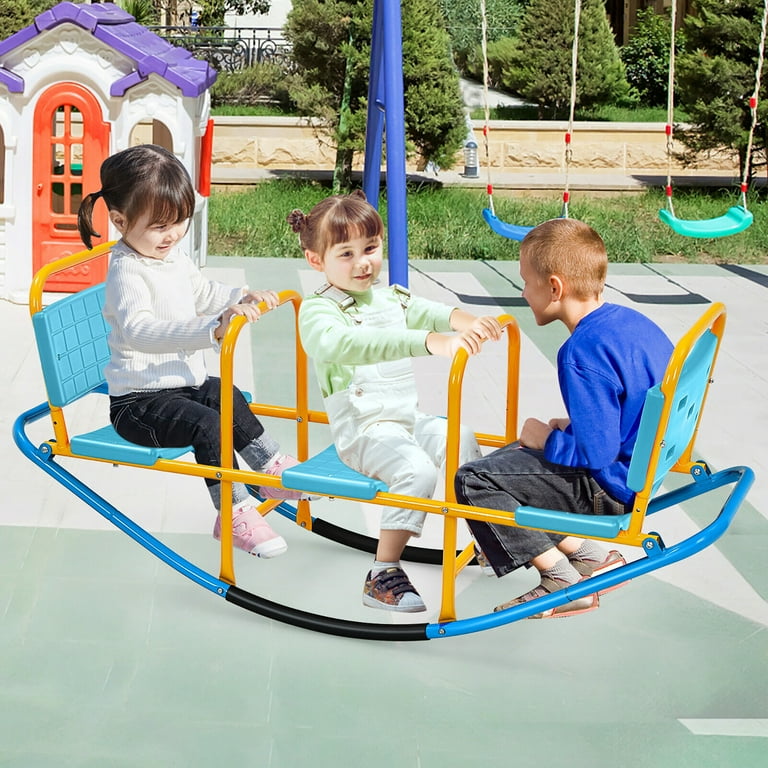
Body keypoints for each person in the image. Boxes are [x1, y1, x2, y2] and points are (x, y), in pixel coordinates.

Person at [78, 144, 302, 559]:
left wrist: (240, 296)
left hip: (179, 387)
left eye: (180, 221)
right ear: (120, 221)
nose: (173, 234)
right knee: (206, 426)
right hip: (138, 405)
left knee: (226, 394)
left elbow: (202, 292)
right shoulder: (127, 271)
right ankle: (232, 512)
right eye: (161, 226)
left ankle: (270, 468)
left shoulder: (172, 257)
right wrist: (209, 330)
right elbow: (141, 331)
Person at [290, 191, 503, 612]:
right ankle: (382, 572)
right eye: (346, 254)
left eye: (370, 248)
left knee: (460, 437)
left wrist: (470, 322)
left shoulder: (391, 296)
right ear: (317, 260)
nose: (362, 262)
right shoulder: (319, 313)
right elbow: (354, 344)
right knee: (417, 470)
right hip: (363, 432)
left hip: (405, 420)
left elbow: (431, 311)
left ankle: (489, 537)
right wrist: (428, 343)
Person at [455, 218, 674, 618]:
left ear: (554, 287)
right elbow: (628, 412)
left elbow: (597, 453)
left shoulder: (580, 353)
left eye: (525, 282)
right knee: (509, 460)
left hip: (608, 488)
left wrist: (549, 440)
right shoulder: (632, 324)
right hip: (641, 472)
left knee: (474, 479)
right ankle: (589, 557)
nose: (523, 293)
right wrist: (570, 428)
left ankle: (561, 581)